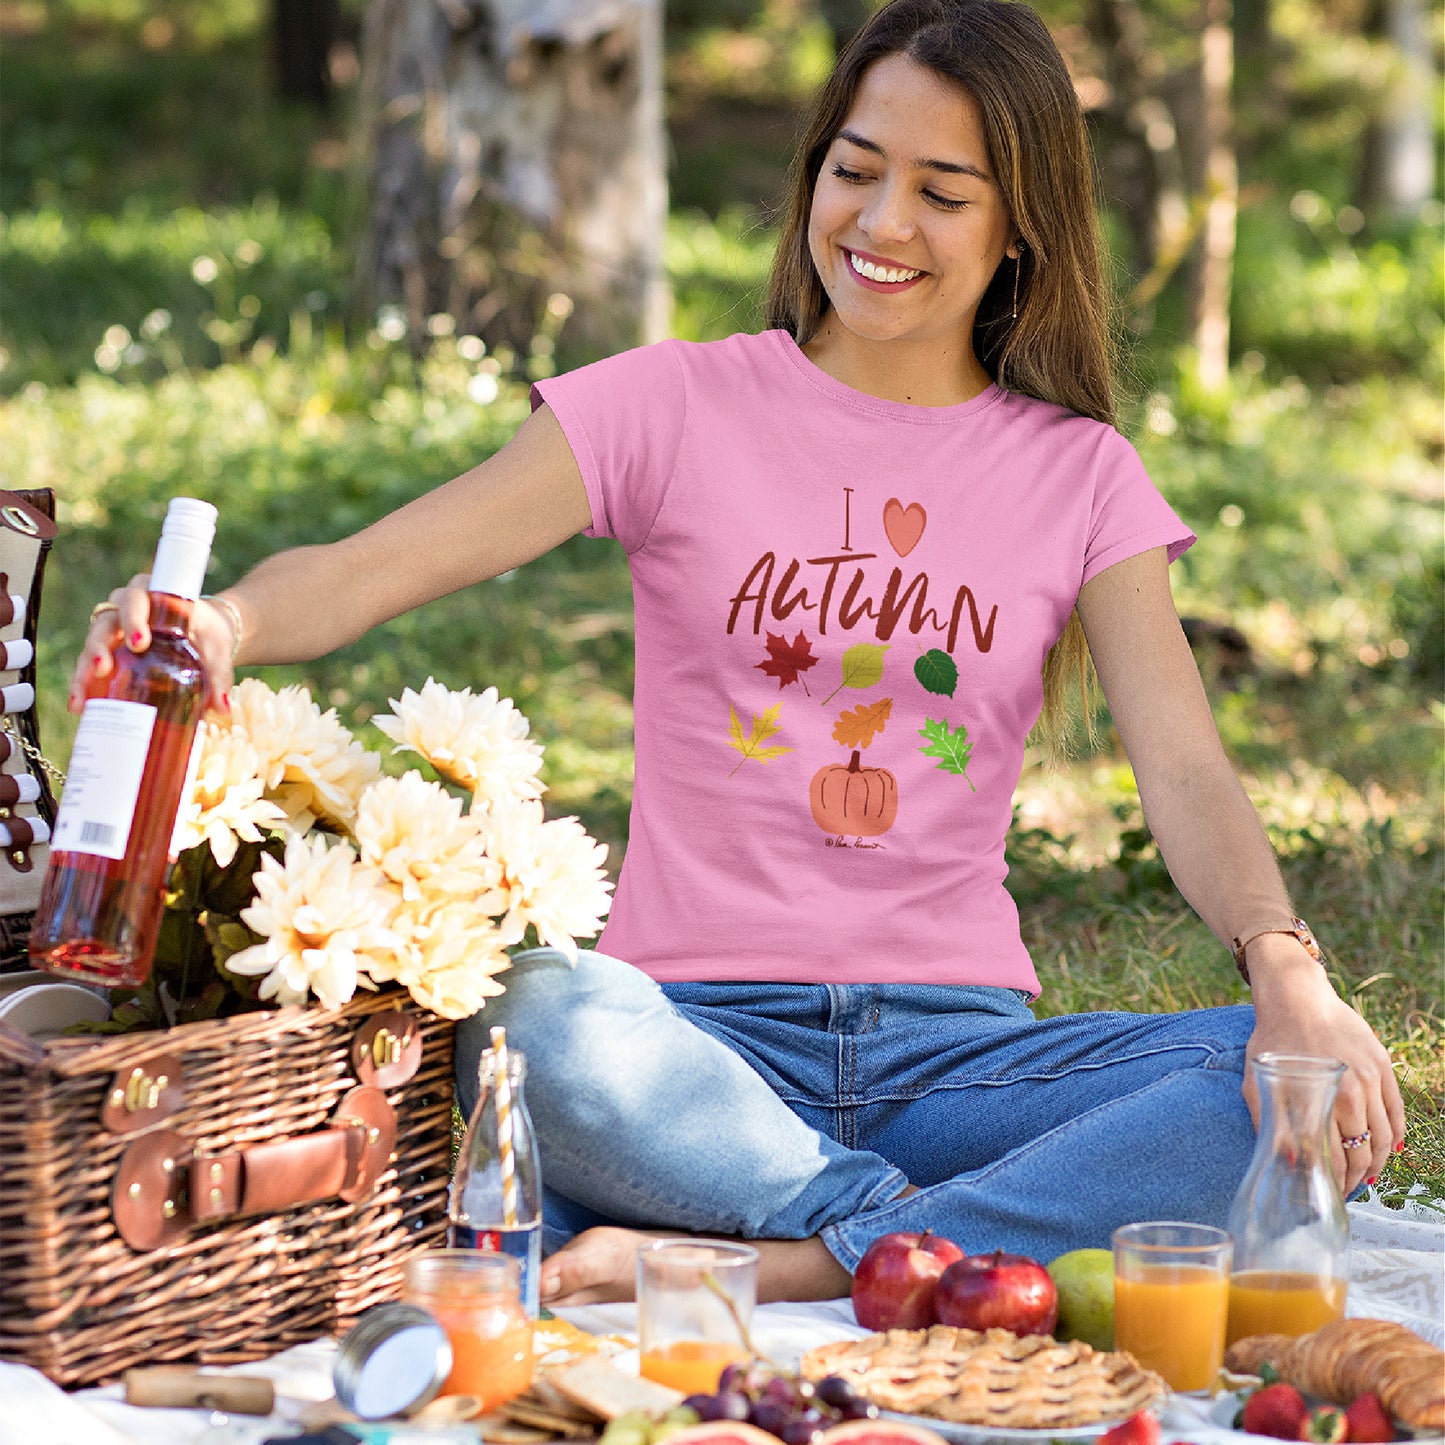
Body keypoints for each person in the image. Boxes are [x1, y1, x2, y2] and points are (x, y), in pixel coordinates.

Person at [80, 0, 1402, 1308]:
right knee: (530, 1012)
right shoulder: (672, 404)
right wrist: (225, 622)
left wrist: (1289, 977)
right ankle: (899, 1237)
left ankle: (792, 1255)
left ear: (1019, 231)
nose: (882, 224)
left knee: (1277, 1079)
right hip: (687, 1065)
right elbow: (380, 565)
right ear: (813, 169)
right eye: (855, 169)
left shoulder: (1078, 474)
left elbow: (1182, 768)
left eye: (942, 192)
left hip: (960, 1073)